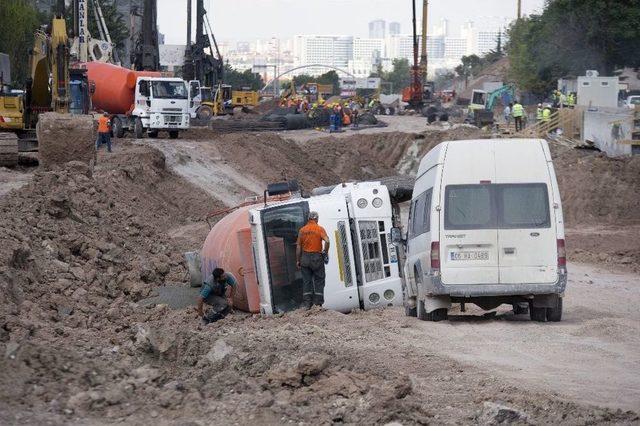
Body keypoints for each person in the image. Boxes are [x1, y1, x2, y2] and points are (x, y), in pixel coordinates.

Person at [296, 211, 330, 309]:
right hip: (316, 258)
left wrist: (298, 260)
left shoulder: (302, 230)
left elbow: (298, 247)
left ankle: (307, 304)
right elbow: (327, 241)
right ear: (317, 219)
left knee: (307, 281)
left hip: (305, 258)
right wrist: (325, 251)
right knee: (319, 280)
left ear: (308, 219)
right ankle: (318, 304)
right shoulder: (319, 229)